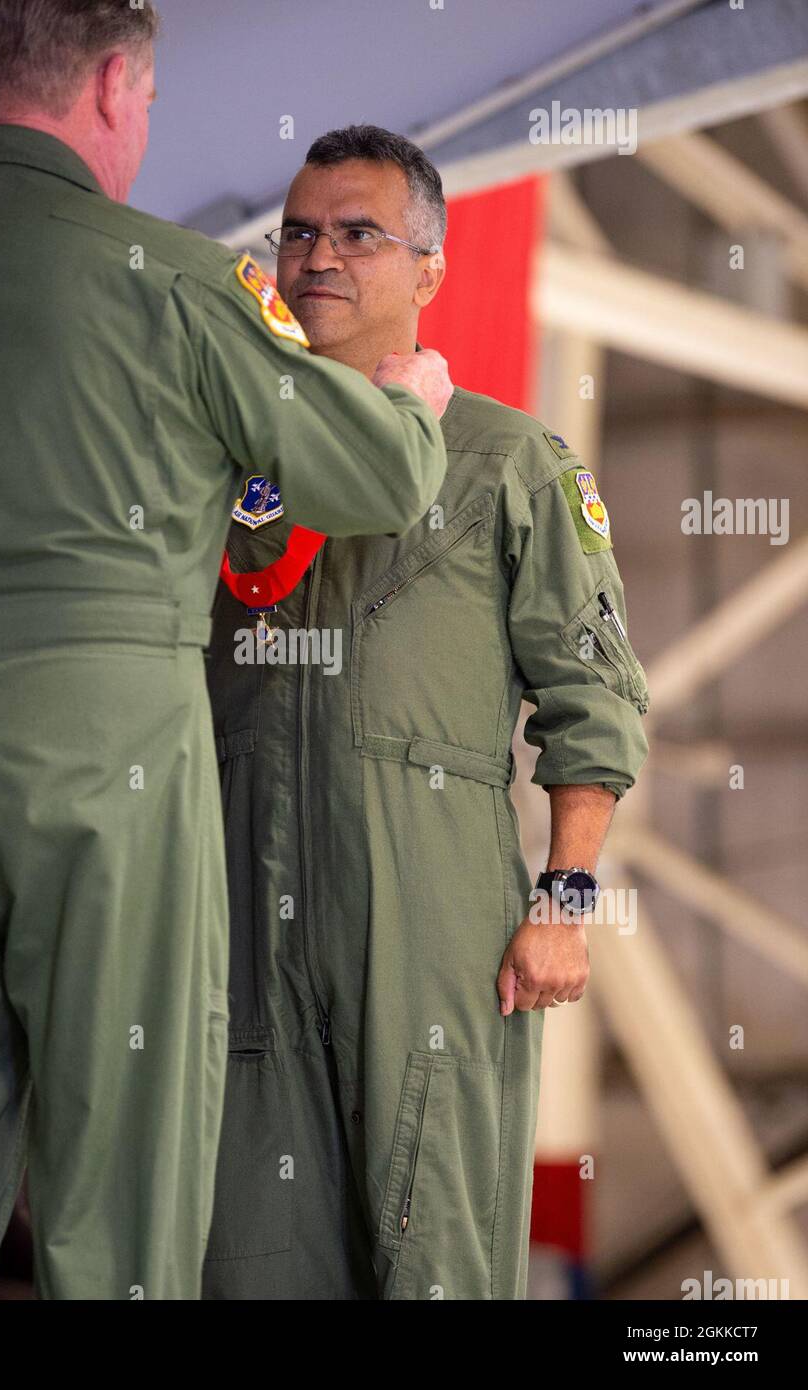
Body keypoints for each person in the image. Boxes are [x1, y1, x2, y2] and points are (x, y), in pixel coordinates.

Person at [0, 6, 452, 1300]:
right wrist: (409, 404)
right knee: (122, 1192)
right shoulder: (181, 283)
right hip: (112, 763)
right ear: (109, 83)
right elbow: (365, 478)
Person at [201, 125, 650, 1300]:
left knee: (433, 1248)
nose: (318, 258)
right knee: (250, 1255)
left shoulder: (508, 462)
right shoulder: (224, 472)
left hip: (429, 912)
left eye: (358, 232)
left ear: (430, 270)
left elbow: (589, 694)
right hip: (242, 906)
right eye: (298, 233)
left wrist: (563, 898)